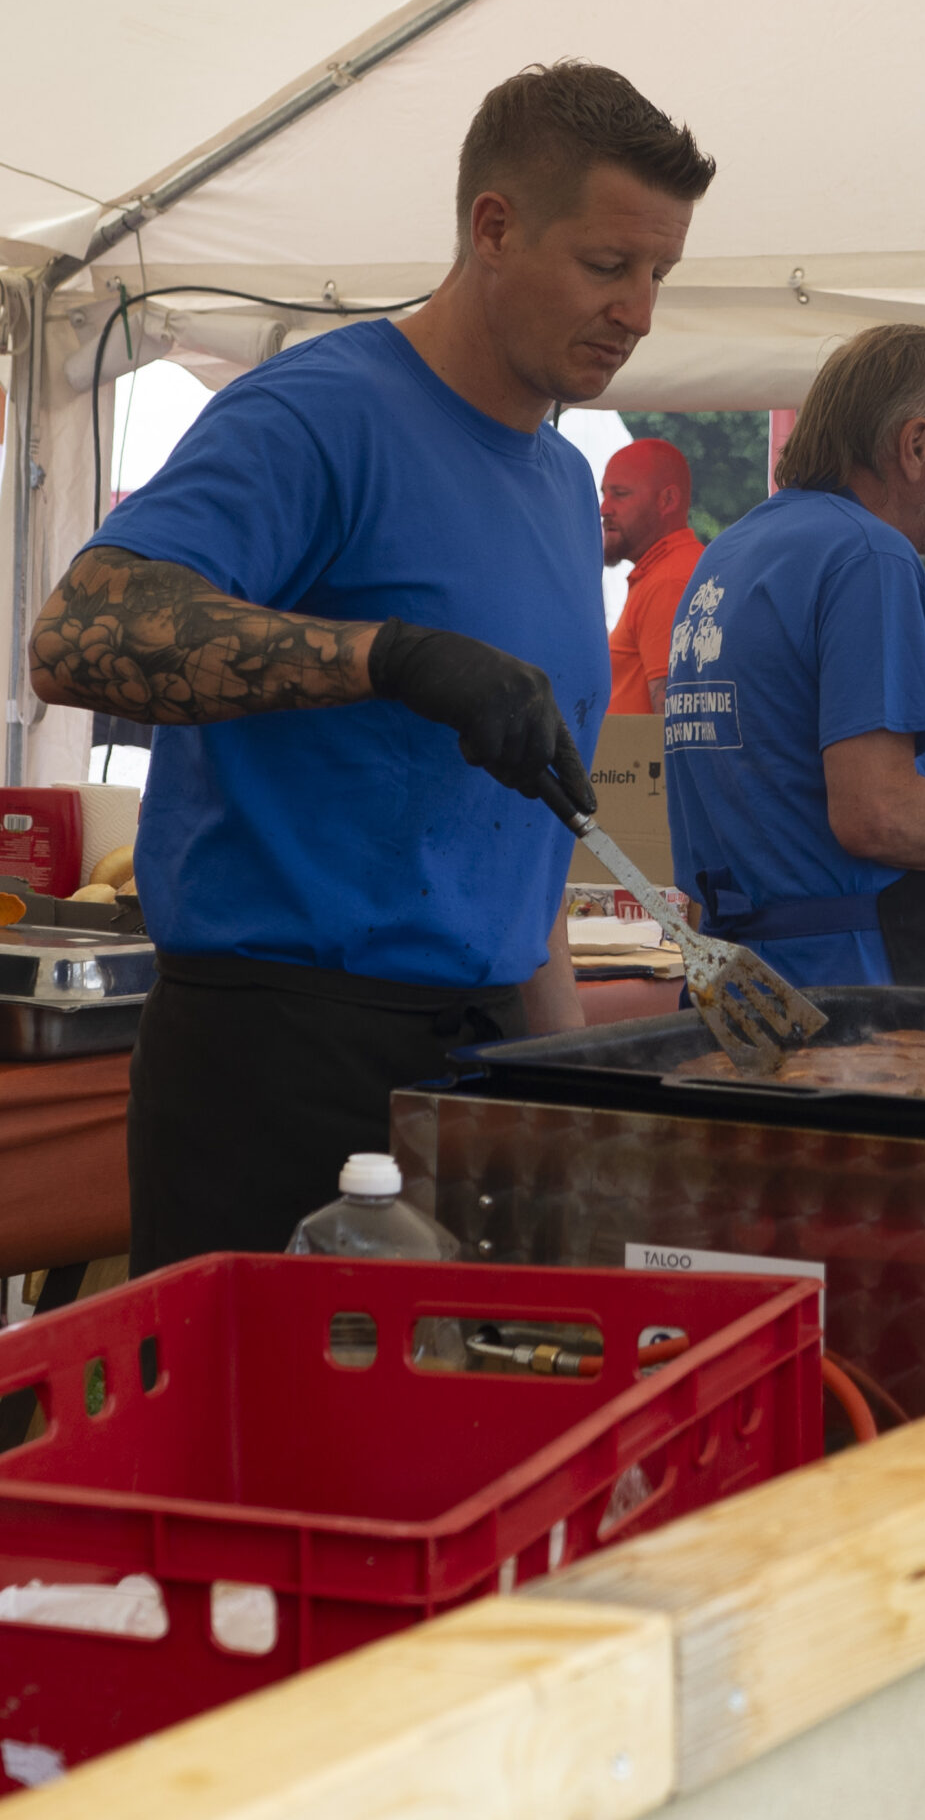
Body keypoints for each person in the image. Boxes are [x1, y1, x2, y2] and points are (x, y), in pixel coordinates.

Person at [29, 61, 716, 1266]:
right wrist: (386, 655)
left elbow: (522, 853)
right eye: (608, 265)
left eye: (660, 273)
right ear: (492, 228)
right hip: (278, 1056)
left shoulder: (564, 486)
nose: (639, 311)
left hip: (483, 1055)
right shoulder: (315, 415)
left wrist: (569, 1092)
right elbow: (80, 632)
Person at [664, 324, 925, 989]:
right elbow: (878, 814)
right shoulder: (868, 553)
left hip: (733, 974)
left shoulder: (731, 550)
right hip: (846, 982)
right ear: (916, 445)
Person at [601, 439, 703, 715]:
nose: (604, 508)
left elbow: (675, 720)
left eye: (620, 494)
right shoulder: (668, 569)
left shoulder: (669, 582)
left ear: (667, 500)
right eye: (604, 494)